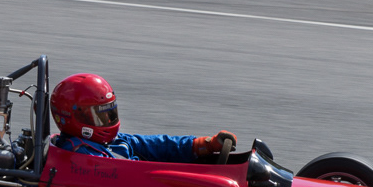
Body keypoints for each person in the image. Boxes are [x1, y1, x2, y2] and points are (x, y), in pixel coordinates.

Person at [50, 73, 236, 162]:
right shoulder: (82, 155)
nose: (108, 119)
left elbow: (154, 144)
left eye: (109, 112)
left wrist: (202, 145)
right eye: (99, 115)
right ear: (75, 117)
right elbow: (122, 173)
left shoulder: (112, 141)